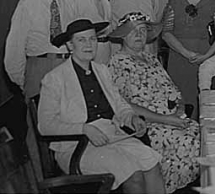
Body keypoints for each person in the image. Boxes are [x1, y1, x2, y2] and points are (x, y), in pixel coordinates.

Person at [38, 19, 165, 193]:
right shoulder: (54, 79)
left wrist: (132, 118)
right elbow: (45, 126)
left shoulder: (102, 70)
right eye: (81, 40)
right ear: (69, 45)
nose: (89, 44)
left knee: (151, 162)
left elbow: (119, 104)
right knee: (133, 174)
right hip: (77, 146)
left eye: (92, 39)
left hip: (112, 136)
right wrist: (84, 129)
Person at [108, 12, 200, 193]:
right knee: (191, 144)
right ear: (122, 36)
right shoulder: (117, 62)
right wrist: (167, 120)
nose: (139, 35)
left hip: (173, 120)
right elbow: (123, 104)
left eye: (143, 31)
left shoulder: (152, 59)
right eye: (133, 31)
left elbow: (174, 92)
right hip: (146, 126)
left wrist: (179, 111)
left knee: (206, 138)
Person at [5, 0, 79, 100]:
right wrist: (26, 82)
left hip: (67, 66)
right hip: (39, 68)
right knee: (40, 121)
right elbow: (14, 51)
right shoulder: (27, 5)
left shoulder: (70, 1)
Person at [162, 0, 215, 120]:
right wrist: (185, 52)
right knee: (179, 102)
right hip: (179, 61)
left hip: (205, 61)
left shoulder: (214, 5)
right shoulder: (173, 3)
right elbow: (166, 33)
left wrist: (206, 56)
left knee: (204, 99)